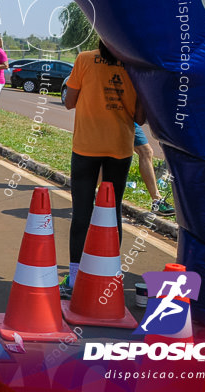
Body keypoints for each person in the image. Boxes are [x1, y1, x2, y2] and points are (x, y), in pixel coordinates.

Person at [61, 39, 145, 296]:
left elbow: (69, 101)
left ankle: (74, 278)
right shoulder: (137, 67)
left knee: (82, 212)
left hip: (86, 147)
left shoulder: (85, 59)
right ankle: (107, 274)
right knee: (112, 212)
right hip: (120, 149)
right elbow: (140, 117)